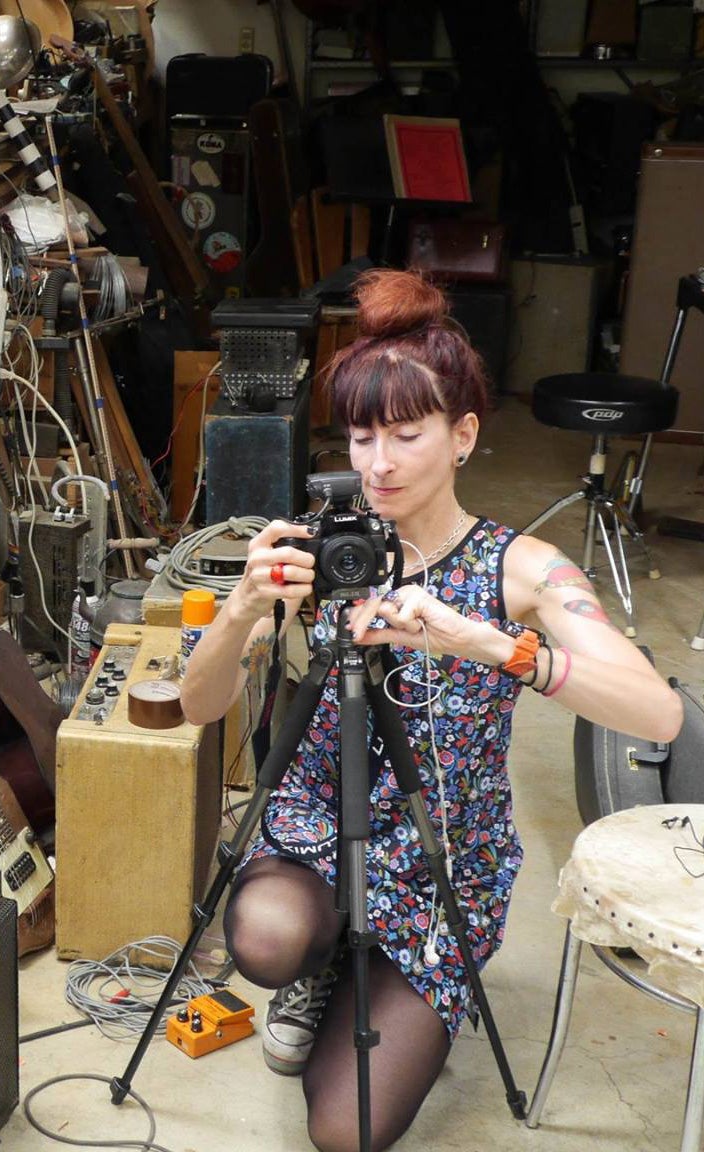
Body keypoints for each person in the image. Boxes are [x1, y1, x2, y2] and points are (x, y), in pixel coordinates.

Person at [180, 269, 684, 1152]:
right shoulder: (316, 546)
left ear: (464, 435)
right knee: (264, 939)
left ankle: (375, 966)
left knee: (346, 1131)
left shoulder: (518, 568)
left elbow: (657, 714)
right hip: (311, 824)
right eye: (359, 437)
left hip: (439, 855)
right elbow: (198, 703)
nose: (376, 465)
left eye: (406, 436)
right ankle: (323, 955)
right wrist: (242, 607)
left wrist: (491, 644)